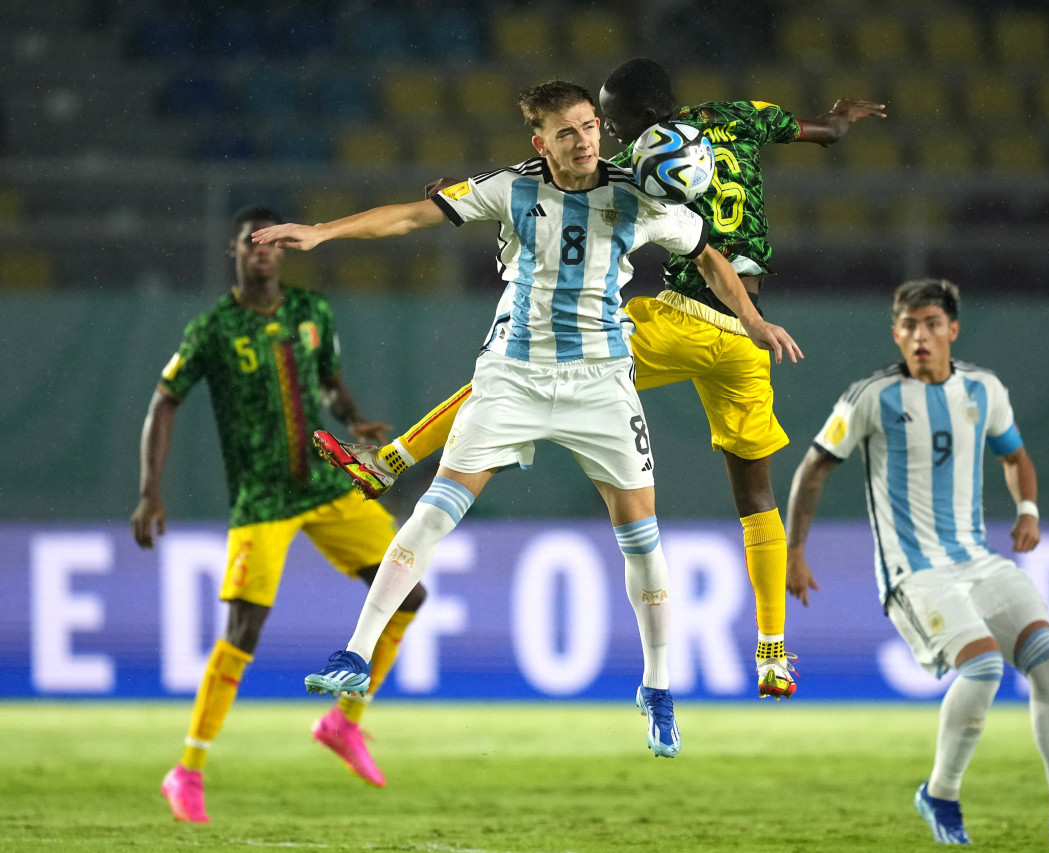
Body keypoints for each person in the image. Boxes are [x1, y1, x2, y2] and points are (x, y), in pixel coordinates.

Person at [253, 81, 801, 758]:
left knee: (642, 541)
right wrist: (323, 231)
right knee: (433, 512)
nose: (582, 141)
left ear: (601, 126)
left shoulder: (641, 192)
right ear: (540, 143)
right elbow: (409, 218)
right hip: (512, 375)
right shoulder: (509, 188)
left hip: (602, 383)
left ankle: (658, 687)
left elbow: (708, 255)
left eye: (589, 126)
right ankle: (355, 651)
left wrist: (751, 318)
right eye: (564, 133)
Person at [311, 57, 883, 699]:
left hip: (674, 318)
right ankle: (773, 654)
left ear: (628, 120)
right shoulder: (736, 118)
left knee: (541, 352)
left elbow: (649, 215)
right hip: (744, 337)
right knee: (755, 494)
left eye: (605, 122)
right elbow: (822, 136)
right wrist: (838, 119)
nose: (600, 137)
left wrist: (481, 192)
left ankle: (390, 461)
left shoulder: (643, 160)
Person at [784, 279, 1049, 845]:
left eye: (932, 324)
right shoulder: (870, 397)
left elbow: (1014, 455)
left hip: (978, 561)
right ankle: (940, 794)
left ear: (953, 330)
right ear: (896, 333)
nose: (921, 336)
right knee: (984, 667)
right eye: (909, 326)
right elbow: (813, 468)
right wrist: (795, 551)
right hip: (912, 572)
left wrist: (1029, 509)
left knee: (1048, 660)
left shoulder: (983, 390)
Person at [131, 205, 426, 824]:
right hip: (262, 496)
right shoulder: (212, 329)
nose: (262, 250)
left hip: (321, 485)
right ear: (235, 253)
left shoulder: (310, 313)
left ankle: (343, 725)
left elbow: (329, 383)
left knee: (408, 592)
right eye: (250, 242)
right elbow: (164, 403)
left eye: (271, 242)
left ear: (283, 252)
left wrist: (353, 420)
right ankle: (186, 769)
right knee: (243, 633)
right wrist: (150, 491)